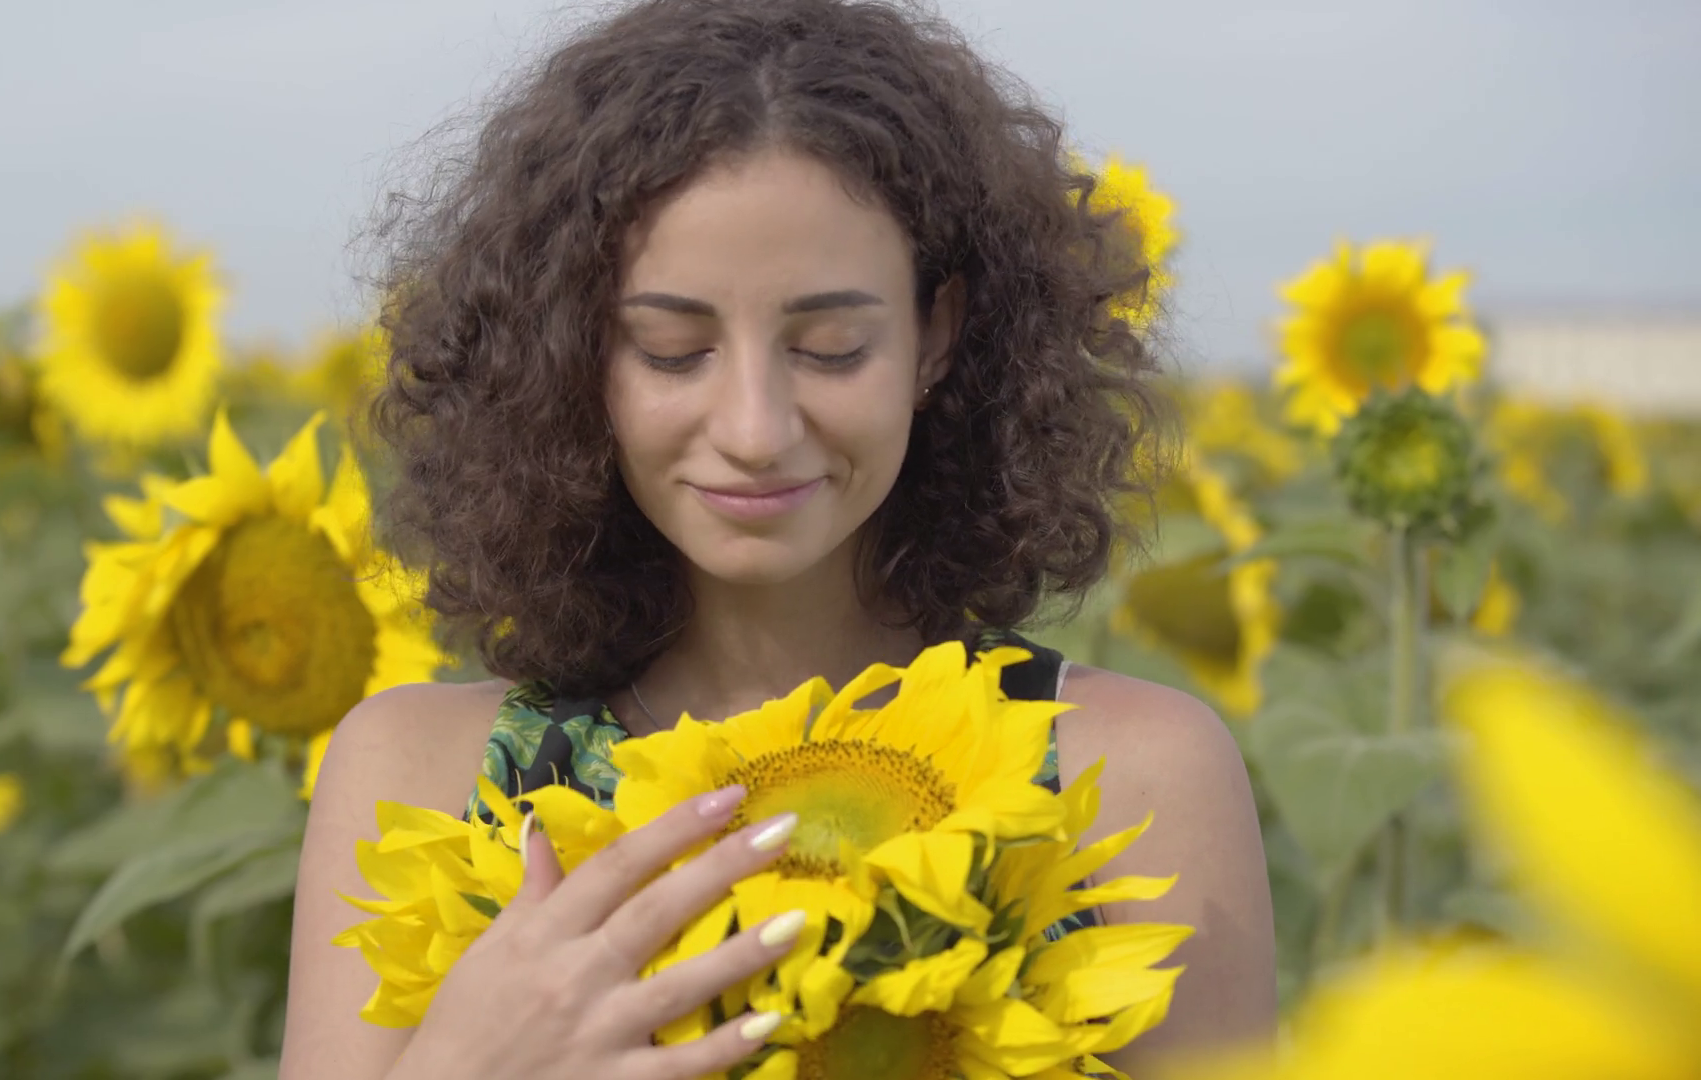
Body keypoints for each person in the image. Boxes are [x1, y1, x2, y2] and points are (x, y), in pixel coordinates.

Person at [282, 0, 1275, 1076]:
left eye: (833, 347)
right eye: (671, 350)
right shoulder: (416, 775)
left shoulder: (1129, 782)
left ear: (937, 338)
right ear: (572, 355)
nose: (756, 430)